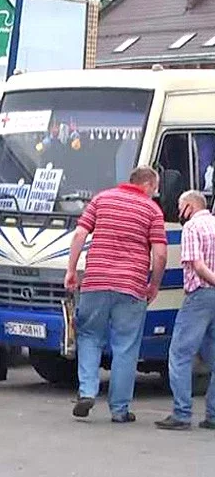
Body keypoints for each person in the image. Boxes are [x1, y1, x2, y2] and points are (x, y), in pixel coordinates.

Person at [64, 166, 167, 423]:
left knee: (89, 336)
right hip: (131, 286)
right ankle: (119, 409)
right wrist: (154, 284)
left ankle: (87, 391)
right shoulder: (152, 210)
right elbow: (161, 253)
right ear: (147, 185)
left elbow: (79, 234)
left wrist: (71, 270)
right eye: (155, 188)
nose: (155, 193)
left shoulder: (102, 199)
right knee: (125, 346)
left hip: (96, 280)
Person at [155, 191, 215, 430]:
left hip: (199, 296)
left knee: (180, 354)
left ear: (189, 207)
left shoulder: (191, 228)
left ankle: (181, 413)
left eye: (180, 208)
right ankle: (213, 414)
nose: (178, 213)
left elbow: (197, 265)